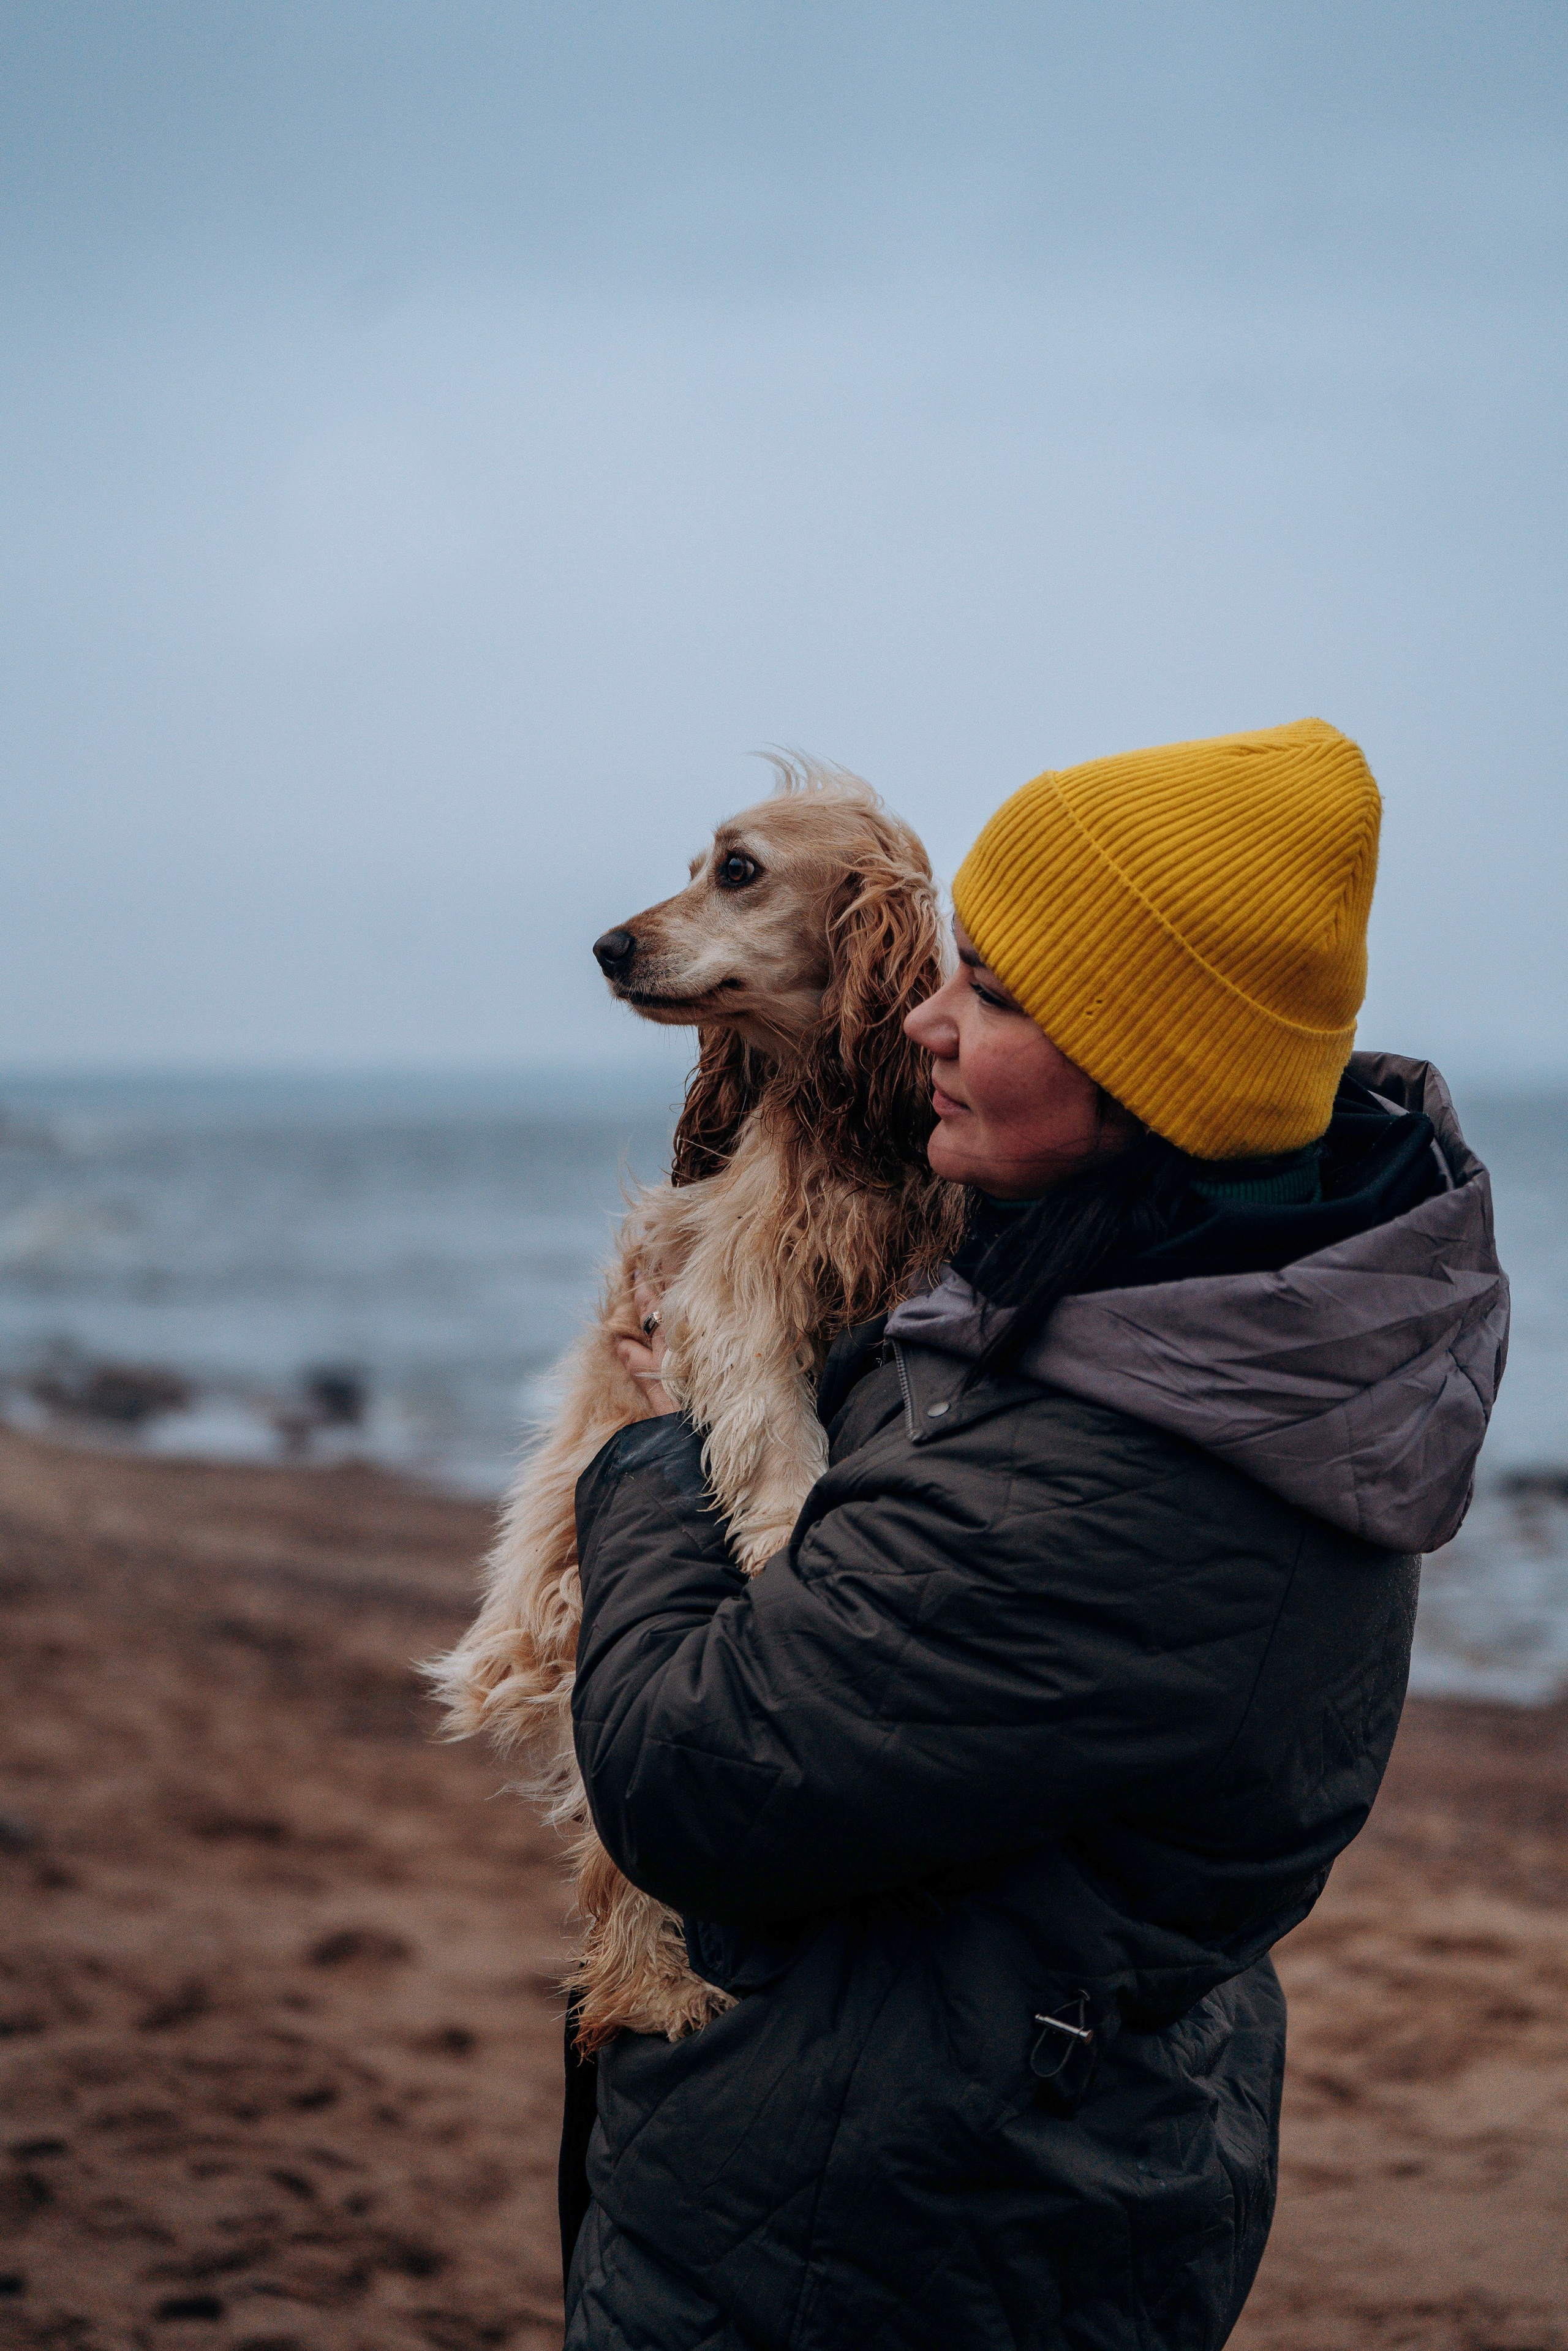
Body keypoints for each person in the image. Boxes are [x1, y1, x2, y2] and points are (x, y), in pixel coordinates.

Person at [560, 718, 1509, 2350]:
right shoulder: (1157, 1313)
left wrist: (651, 1455)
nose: (921, 1015)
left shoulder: (1110, 1472)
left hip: (882, 2248)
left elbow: (688, 1772)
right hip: (988, 2165)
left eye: (992, 993)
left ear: (1150, 1067)